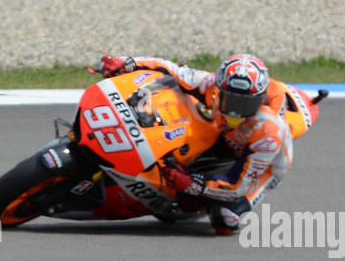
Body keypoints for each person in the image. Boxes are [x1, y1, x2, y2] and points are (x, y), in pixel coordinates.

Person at [97, 53, 292, 234]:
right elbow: (172, 69)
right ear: (219, 89)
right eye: (230, 101)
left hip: (261, 165)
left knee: (226, 219)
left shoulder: (268, 133)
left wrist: (192, 184)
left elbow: (236, 186)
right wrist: (128, 62)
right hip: (224, 136)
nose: (235, 112)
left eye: (244, 105)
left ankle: (196, 204)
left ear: (259, 101)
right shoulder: (210, 85)